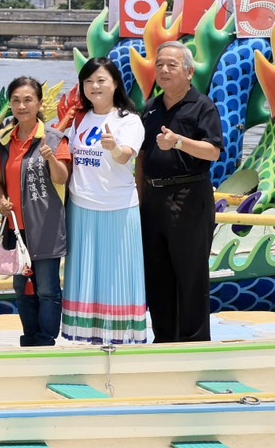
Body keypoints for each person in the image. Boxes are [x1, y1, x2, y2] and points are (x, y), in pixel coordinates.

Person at [137, 40, 225, 343]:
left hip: (189, 197)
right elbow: (141, 157)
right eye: (159, 64)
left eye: (171, 65)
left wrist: (179, 142)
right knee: (158, 273)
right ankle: (164, 339)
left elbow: (213, 151)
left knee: (191, 275)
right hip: (153, 199)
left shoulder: (203, 106)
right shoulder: (150, 108)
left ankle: (194, 342)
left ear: (188, 72)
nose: (163, 70)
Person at [61, 56, 147, 345]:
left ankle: (120, 338)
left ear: (115, 84)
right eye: (88, 81)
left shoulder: (129, 120)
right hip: (81, 206)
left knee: (117, 275)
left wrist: (114, 148)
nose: (94, 86)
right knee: (85, 274)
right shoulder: (80, 119)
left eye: (101, 80)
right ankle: (83, 336)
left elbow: (126, 155)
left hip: (117, 208)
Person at [0, 77, 70, 347]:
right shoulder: (4, 142)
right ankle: (30, 336)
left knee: (48, 288)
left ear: (39, 104)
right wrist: (1, 200)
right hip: (16, 229)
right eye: (16, 100)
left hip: (46, 226)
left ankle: (46, 339)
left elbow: (62, 178)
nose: (21, 106)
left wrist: (50, 158)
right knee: (21, 288)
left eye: (28, 100)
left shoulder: (54, 139)